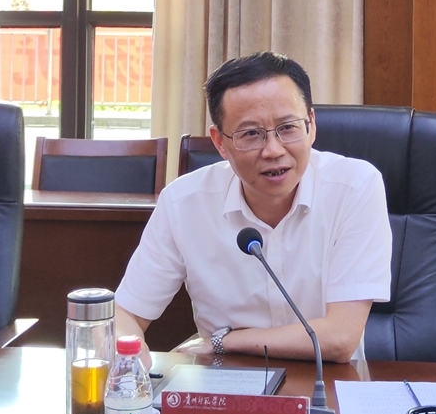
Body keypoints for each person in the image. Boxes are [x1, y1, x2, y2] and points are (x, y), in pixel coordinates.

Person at [114, 51, 392, 367]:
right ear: (220, 143)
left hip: (328, 383)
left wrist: (222, 342)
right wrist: (129, 360)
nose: (273, 150)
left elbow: (339, 338)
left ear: (311, 125)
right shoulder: (183, 203)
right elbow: (125, 314)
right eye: (250, 134)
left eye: (288, 128)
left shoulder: (355, 187)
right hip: (226, 386)